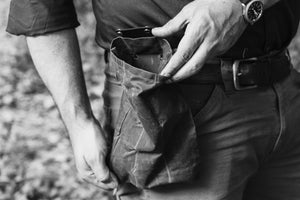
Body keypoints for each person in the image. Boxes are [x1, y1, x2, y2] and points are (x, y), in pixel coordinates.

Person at [6, 0, 300, 199]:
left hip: (285, 88)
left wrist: (242, 4)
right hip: (168, 105)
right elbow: (40, 8)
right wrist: (78, 121)